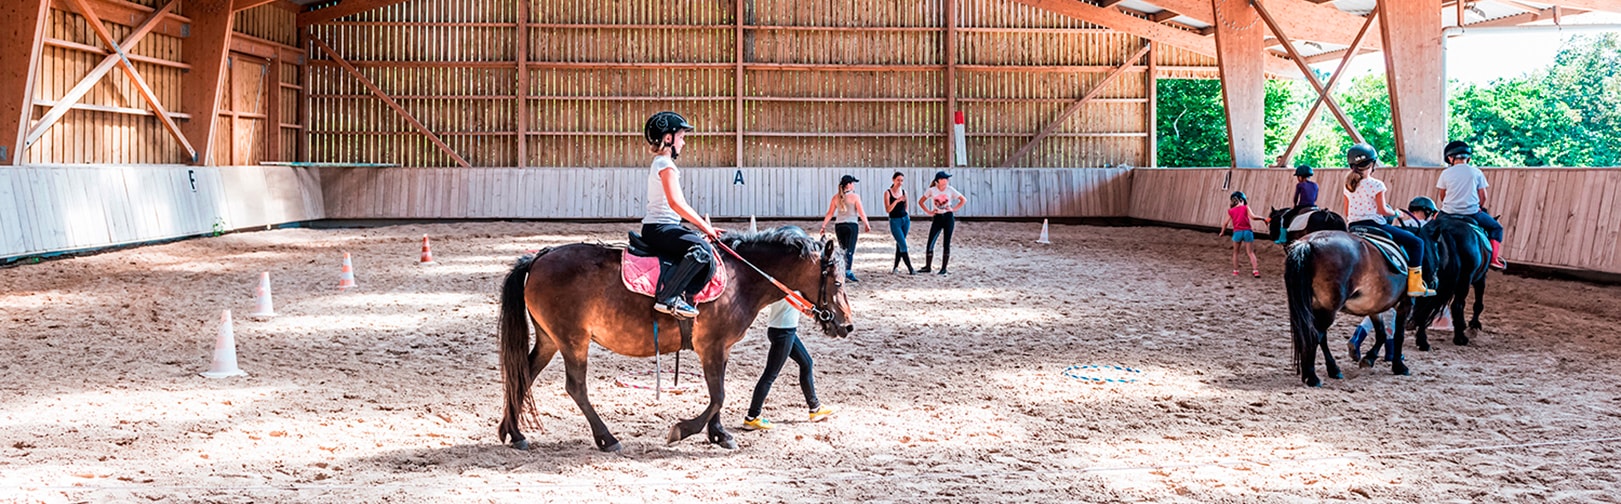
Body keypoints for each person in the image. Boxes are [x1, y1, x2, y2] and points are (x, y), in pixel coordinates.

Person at [640, 111, 723, 319]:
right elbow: (677, 204)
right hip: (659, 228)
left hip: (664, 226)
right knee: (702, 250)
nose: (684, 142)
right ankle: (669, 298)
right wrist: (706, 228)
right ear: (668, 138)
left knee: (700, 244)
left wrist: (702, 229)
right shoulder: (665, 164)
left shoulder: (664, 164)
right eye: (681, 137)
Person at [1343, 144, 1434, 298]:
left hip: (1353, 226)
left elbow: (1347, 212)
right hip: (1374, 225)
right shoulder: (1377, 185)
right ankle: (1415, 285)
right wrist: (1397, 213)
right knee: (1417, 243)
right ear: (1372, 164)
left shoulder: (1348, 185)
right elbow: (1382, 211)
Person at [742, 299, 834, 431]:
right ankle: (752, 417)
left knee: (806, 363)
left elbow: (798, 303)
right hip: (783, 332)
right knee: (770, 375)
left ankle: (815, 407)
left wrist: (805, 309)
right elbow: (797, 301)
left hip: (784, 331)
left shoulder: (786, 286)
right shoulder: (787, 287)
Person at [1437, 141, 1507, 269]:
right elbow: (1483, 195)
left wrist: (1450, 206)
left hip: (1448, 213)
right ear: (1468, 158)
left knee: (1429, 228)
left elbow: (1443, 195)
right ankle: (1494, 259)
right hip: (1471, 213)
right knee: (1496, 228)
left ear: (1450, 158)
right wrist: (1478, 207)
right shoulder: (1476, 172)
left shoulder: (1445, 173)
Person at [819, 175, 872, 282]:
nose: (853, 185)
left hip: (839, 225)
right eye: (852, 183)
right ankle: (847, 271)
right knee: (850, 250)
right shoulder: (855, 197)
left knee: (842, 249)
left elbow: (830, 213)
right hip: (851, 225)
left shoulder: (835, 197)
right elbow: (861, 212)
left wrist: (823, 225)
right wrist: (867, 224)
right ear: (848, 185)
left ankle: (841, 270)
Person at [917, 171, 966, 275]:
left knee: (946, 243)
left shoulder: (950, 190)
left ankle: (944, 268)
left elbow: (963, 200)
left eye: (947, 179)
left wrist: (953, 209)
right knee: (931, 241)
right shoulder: (932, 190)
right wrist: (929, 212)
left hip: (948, 217)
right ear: (938, 180)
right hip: (937, 217)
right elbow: (921, 201)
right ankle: (928, 266)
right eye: (944, 179)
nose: (947, 180)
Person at [1218, 191, 1268, 278]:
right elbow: (1253, 217)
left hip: (1237, 232)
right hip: (1247, 232)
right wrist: (1263, 218)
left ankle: (1235, 271)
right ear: (1242, 200)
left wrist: (1222, 232)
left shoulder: (1231, 211)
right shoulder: (1245, 208)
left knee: (1236, 252)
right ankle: (1255, 271)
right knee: (1250, 252)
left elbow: (1225, 223)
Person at [883, 172, 915, 275]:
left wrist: (907, 215)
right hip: (894, 220)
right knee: (903, 244)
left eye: (902, 180)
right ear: (893, 180)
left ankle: (895, 266)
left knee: (900, 243)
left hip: (904, 219)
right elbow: (888, 209)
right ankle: (910, 268)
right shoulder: (888, 193)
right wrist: (896, 201)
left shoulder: (904, 191)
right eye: (898, 180)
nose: (900, 182)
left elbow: (906, 205)